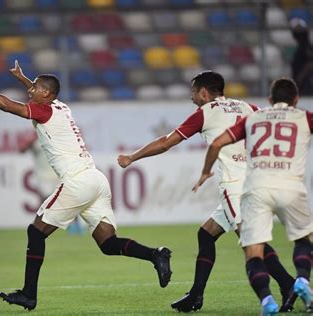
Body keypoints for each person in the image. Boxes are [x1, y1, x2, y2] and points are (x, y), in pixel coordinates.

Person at [0, 63, 172, 311]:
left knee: (36, 233)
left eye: (35, 87)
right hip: (96, 179)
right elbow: (40, 93)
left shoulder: (44, 111)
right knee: (108, 244)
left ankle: (28, 294)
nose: (30, 90)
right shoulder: (60, 106)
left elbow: (4, 103)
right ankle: (156, 254)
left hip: (77, 180)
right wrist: (24, 78)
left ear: (46, 94)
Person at [118, 71, 296, 312]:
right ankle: (196, 295)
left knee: (253, 242)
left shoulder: (206, 113)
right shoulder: (249, 107)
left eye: (193, 92)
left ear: (203, 92)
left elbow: (166, 142)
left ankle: (290, 286)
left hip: (236, 187)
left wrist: (132, 157)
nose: (192, 97)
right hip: (256, 180)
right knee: (206, 234)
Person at [193, 78, 313, 315]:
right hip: (289, 184)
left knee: (252, 248)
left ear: (269, 100)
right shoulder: (303, 117)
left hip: (254, 185)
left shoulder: (255, 117)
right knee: (303, 239)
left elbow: (217, 143)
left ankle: (268, 299)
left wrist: (206, 171)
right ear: (297, 100)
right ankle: (301, 280)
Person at [19, 130, 85, 235]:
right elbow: (21, 150)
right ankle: (41, 228)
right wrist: (30, 141)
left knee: (69, 200)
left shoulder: (56, 136)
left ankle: (76, 225)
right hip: (43, 177)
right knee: (47, 203)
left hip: (59, 175)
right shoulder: (35, 139)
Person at [290, 18, 313, 96]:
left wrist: (300, 77)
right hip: (300, 82)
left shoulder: (306, 46)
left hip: (306, 82)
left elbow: (310, 63)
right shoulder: (301, 46)